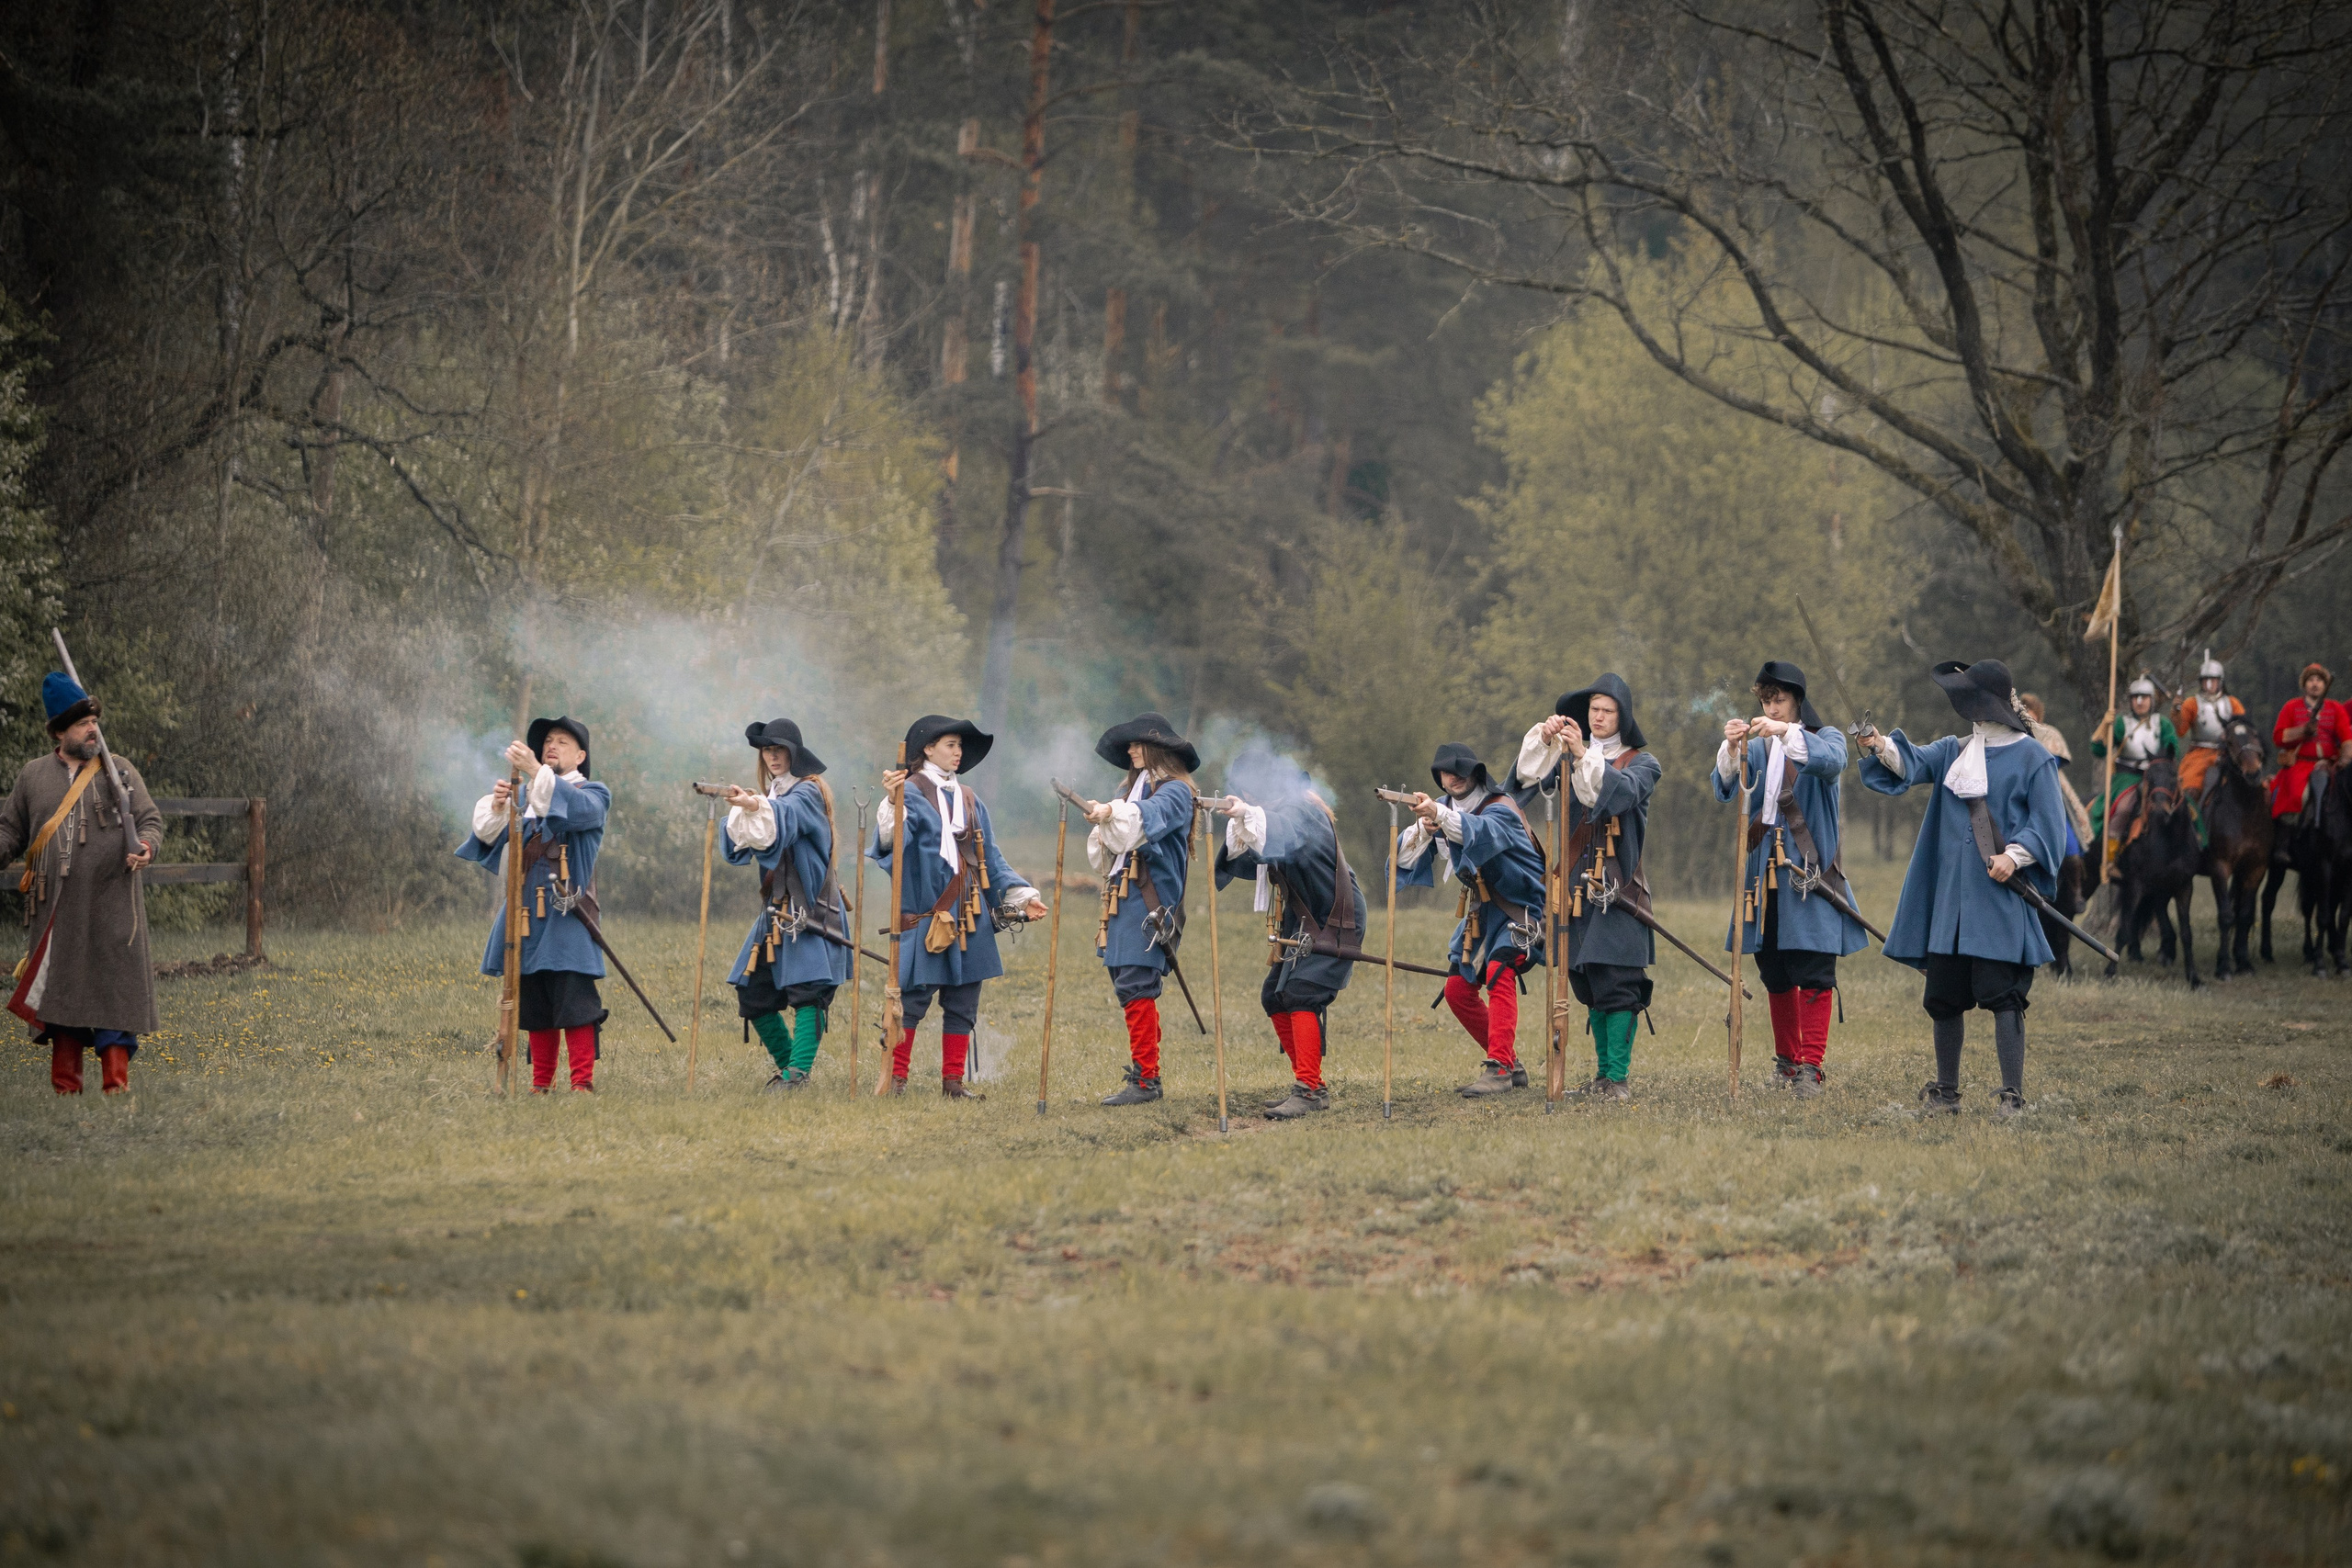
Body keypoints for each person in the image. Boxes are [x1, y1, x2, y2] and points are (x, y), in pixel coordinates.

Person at [1859, 659, 2067, 1120]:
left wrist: (2014, 856)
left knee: (2003, 993)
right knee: (1944, 995)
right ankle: (1946, 1095)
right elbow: (1909, 761)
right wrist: (1877, 745)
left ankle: (2011, 1096)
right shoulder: (1955, 750)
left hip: (1998, 898)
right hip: (1951, 902)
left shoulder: (2034, 758)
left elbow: (2049, 826)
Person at [1709, 661, 1867, 1098]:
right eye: (1766, 701)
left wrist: (1782, 733)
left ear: (1797, 701)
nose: (1772, 708)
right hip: (1764, 875)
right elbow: (1724, 786)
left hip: (1809, 871)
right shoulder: (1756, 749)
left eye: (1779, 700)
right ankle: (1787, 1062)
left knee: (1814, 967)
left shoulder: (1824, 738)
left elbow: (1833, 761)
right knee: (1774, 968)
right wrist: (1731, 749)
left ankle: (1811, 1067)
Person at [0, 671, 162, 1096]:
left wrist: (145, 846)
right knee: (63, 1000)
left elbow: (150, 820)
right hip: (57, 910)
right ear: (59, 731)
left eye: (95, 721)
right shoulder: (33, 776)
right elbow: (9, 833)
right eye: (82, 723)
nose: (93, 729)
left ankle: (116, 1087)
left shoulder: (119, 770)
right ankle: (66, 1089)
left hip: (113, 904)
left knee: (115, 995)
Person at [872, 715, 1046, 1099]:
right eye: (950, 744)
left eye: (959, 746)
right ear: (928, 749)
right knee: (914, 999)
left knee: (965, 1000)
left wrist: (1022, 896)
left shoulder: (970, 799)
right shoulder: (910, 792)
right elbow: (890, 842)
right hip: (926, 915)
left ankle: (953, 1082)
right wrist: (891, 801)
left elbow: (991, 859)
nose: (958, 752)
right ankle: (896, 1078)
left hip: (971, 916)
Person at [1514, 674, 1661, 1102]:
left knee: (1618, 979)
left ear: (1622, 717)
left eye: (1607, 710)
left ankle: (1617, 1080)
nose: (1598, 716)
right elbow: (1524, 781)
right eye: (1593, 708)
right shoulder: (1568, 757)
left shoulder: (1643, 764)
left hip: (1619, 886)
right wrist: (1545, 741)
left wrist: (1580, 754)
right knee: (1587, 979)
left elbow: (1617, 797)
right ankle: (1602, 1078)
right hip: (1576, 884)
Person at [457, 717, 609, 1092]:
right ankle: (541, 1086)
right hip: (524, 917)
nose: (551, 746)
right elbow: (488, 835)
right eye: (547, 742)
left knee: (575, 1004)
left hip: (567, 912)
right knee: (536, 1004)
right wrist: (498, 804)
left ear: (581, 755)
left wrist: (535, 773)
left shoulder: (594, 794)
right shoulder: (527, 797)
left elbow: (568, 806)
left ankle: (581, 1086)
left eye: (561, 741)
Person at [1395, 741, 1545, 1098]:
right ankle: (1510, 1061)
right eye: (1445, 773)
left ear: (1475, 773)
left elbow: (1478, 833)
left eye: (1459, 771)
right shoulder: (1441, 808)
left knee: (1498, 972)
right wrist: (1423, 829)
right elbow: (1401, 860)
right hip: (1481, 912)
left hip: (1519, 906)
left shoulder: (1502, 808)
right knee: (1458, 991)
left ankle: (1500, 1068)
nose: (1452, 778)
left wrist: (1440, 817)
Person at [1212, 786, 1367, 1120]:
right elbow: (1248, 855)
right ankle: (1310, 1083)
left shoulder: (1302, 810)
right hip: (1305, 919)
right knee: (1274, 996)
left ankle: (1309, 1090)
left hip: (1337, 915)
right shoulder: (1278, 816)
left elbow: (1282, 832)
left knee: (1301, 994)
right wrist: (1241, 818)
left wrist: (1247, 814)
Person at [1072, 713, 1199, 1109]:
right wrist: (1106, 816)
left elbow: (1143, 822)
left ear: (1157, 749)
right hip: (1124, 899)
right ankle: (1148, 1074)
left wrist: (1110, 812)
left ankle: (1147, 1080)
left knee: (1135, 983)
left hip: (1151, 901)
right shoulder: (1132, 792)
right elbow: (1111, 846)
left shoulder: (1176, 792)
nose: (1129, 750)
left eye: (1136, 743)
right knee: (1128, 981)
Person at [720, 718, 851, 1092]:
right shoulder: (772, 796)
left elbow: (783, 820)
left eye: (780, 750)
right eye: (767, 750)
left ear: (795, 754)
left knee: (809, 990)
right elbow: (741, 847)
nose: (773, 756)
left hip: (811, 907)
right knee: (753, 991)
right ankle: (791, 1069)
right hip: (777, 911)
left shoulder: (808, 793)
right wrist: (747, 805)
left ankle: (796, 1075)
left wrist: (754, 804)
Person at [2088, 676, 2178, 873]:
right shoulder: (2121, 723)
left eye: (2144, 697)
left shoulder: (2162, 723)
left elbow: (2173, 749)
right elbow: (2098, 751)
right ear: (2130, 701)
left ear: (2152, 700)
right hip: (2128, 776)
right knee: (2123, 808)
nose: (2140, 702)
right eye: (2136, 697)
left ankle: (2192, 846)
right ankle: (2111, 857)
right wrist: (2105, 725)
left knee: (2183, 803)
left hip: (2157, 776)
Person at [2268, 662, 2352, 825]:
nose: (2315, 684)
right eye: (2311, 680)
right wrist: (2302, 731)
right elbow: (2278, 737)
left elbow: (2346, 738)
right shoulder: (2291, 707)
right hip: (2300, 765)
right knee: (2297, 796)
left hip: (2330, 764)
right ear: (2305, 684)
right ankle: (2284, 842)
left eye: (2319, 680)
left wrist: (2346, 760)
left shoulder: (2335, 708)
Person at [2018, 693, 2095, 860]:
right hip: (2019, 787)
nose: (2027, 716)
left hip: (2050, 788)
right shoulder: (2014, 735)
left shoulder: (2049, 733)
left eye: (2031, 711)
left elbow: (2055, 762)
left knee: (2068, 834)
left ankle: (2074, 867)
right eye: (2024, 712)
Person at [2174, 650, 2245, 805]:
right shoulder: (2192, 703)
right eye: (2206, 680)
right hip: (2199, 754)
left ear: (2220, 682)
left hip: (2228, 753)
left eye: (2213, 680)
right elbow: (2180, 731)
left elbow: (2243, 729)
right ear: (2201, 682)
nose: (2210, 684)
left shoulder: (2232, 703)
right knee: (2190, 790)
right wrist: (2176, 712)